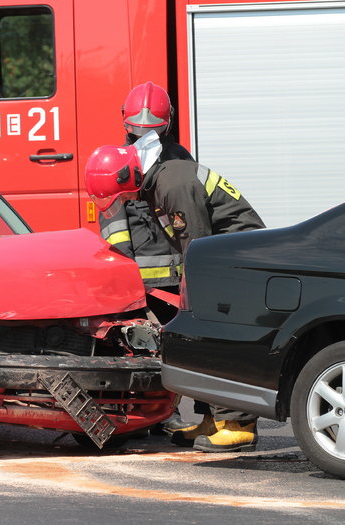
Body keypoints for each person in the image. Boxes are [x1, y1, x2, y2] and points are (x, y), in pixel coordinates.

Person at [84, 139, 265, 453]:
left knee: (217, 337)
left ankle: (238, 425)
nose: (124, 201)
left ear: (129, 177)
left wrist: (193, 291)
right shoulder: (159, 181)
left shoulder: (173, 184)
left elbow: (198, 247)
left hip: (238, 262)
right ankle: (213, 420)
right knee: (195, 338)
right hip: (227, 260)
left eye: (122, 195)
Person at [99, 82, 195, 434]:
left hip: (152, 276)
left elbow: (113, 225)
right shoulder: (179, 157)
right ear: (168, 121)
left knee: (151, 347)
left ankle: (159, 414)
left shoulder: (117, 161)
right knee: (164, 347)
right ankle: (158, 414)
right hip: (165, 276)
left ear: (125, 122)